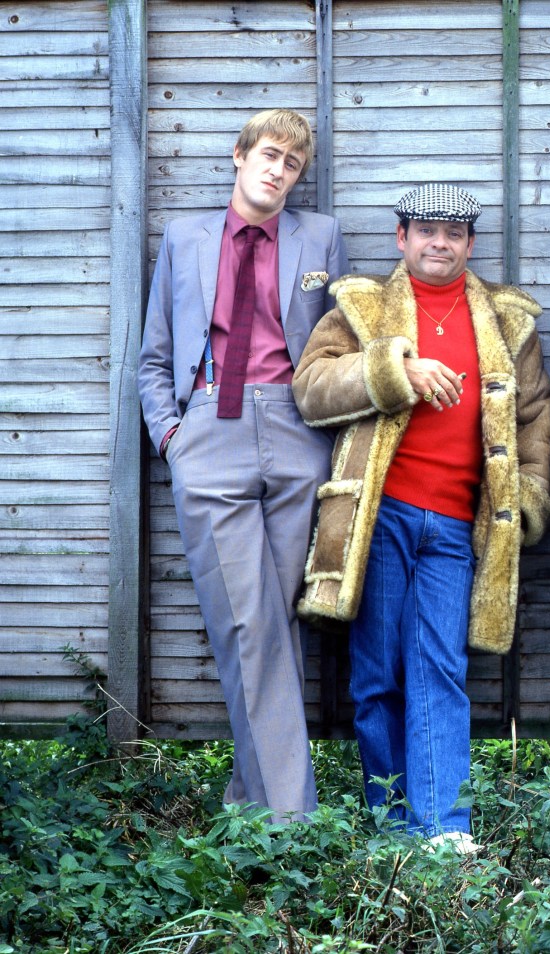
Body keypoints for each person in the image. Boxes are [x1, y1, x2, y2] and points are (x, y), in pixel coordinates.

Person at [292, 183, 550, 848]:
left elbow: (533, 420)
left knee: (440, 667)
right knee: (377, 672)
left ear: (469, 244)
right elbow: (311, 389)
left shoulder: (507, 321)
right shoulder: (362, 307)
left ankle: (442, 831)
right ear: (401, 238)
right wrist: (393, 370)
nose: (440, 243)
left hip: (455, 527)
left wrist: (525, 495)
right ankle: (391, 825)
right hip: (377, 519)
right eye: (426, 231)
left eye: (453, 233)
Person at [138, 108, 349, 822]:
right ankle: (293, 821)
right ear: (239, 155)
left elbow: (336, 345)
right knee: (248, 622)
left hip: (296, 432)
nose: (278, 170)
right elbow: (155, 353)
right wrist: (173, 437)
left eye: (292, 163)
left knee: (273, 623)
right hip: (211, 426)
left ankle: (247, 802)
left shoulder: (319, 237)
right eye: (268, 154)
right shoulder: (184, 236)